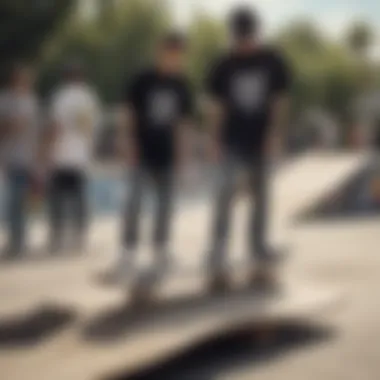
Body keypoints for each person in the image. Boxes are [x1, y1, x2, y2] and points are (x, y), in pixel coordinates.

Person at [205, 7, 292, 289]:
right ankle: (219, 256)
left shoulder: (272, 61)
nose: (243, 45)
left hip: (261, 140)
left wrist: (275, 134)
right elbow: (217, 106)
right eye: (239, 40)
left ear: (256, 34)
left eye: (247, 39)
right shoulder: (223, 64)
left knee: (262, 199)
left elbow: (278, 101)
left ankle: (258, 256)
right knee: (224, 193)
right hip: (232, 140)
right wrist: (215, 140)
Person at [115, 32, 193, 280]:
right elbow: (129, 113)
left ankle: (161, 249)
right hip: (142, 150)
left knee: (165, 205)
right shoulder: (142, 79)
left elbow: (183, 124)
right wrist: (128, 144)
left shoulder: (181, 85)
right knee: (134, 202)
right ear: (160, 51)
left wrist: (183, 157)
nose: (174, 59)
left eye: (178, 55)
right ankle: (128, 250)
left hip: (167, 153)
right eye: (170, 53)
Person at [42, 60, 101, 253]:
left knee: (57, 199)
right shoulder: (89, 97)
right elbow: (93, 127)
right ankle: (79, 236)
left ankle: (57, 236)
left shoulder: (61, 96)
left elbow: (55, 126)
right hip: (81, 156)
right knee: (79, 198)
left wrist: (47, 151)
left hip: (62, 154)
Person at [0, 64, 39, 258]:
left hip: (25, 158)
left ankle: (20, 240)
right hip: (10, 156)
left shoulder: (30, 101)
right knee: (14, 200)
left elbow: (31, 130)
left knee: (20, 199)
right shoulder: (6, 100)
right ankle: (16, 239)